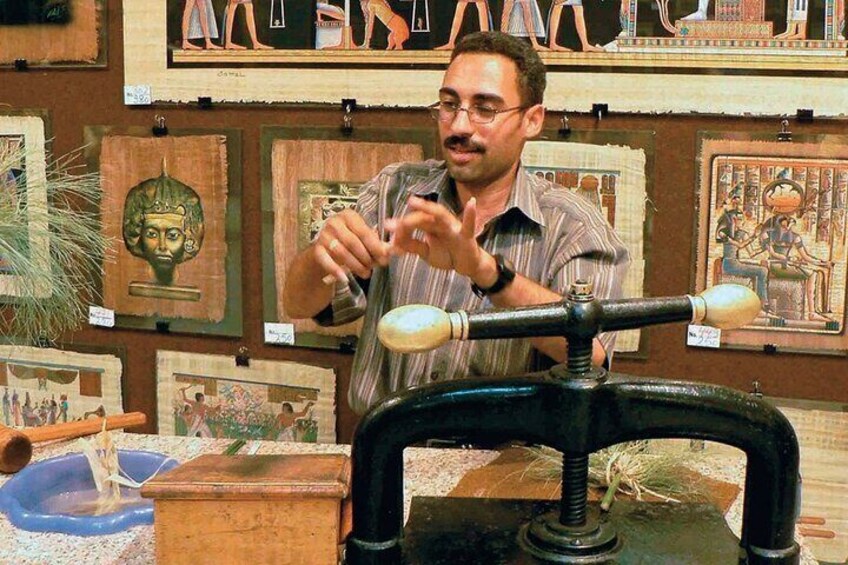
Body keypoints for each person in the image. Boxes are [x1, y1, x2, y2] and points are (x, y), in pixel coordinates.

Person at [283, 31, 629, 415]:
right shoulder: (393, 190)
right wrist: (319, 255)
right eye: (450, 104)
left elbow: (591, 353)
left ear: (532, 120)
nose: (459, 126)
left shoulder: (574, 226)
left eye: (485, 109)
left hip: (501, 450)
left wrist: (486, 272)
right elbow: (298, 304)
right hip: (388, 439)